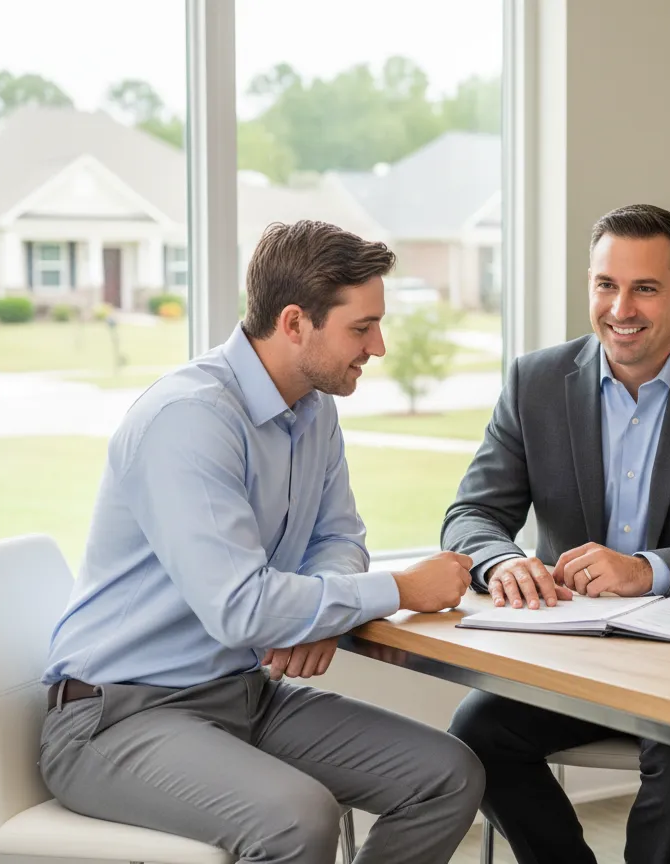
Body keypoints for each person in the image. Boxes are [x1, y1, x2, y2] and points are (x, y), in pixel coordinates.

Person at [41, 220, 484, 864]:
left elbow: (338, 539)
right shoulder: (189, 419)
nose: (379, 347)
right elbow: (242, 609)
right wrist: (395, 590)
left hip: (243, 694)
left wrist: (323, 611)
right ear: (296, 322)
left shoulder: (314, 408)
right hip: (117, 719)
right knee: (297, 820)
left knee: (446, 775)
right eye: (362, 328)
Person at [442, 203, 670, 864]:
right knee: (475, 735)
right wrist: (500, 563)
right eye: (606, 285)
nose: (621, 308)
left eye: (645, 287)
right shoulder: (536, 383)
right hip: (574, 658)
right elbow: (471, 515)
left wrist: (648, 569)